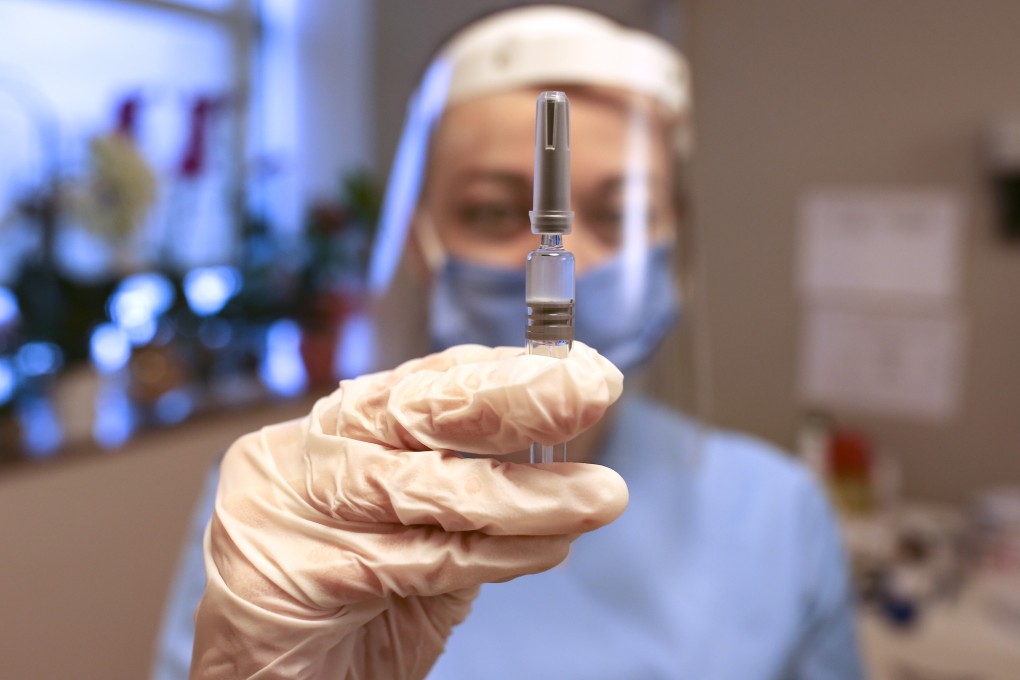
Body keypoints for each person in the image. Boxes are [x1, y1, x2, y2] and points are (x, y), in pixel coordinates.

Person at [153, 6, 865, 679]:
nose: (570, 259)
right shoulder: (302, 511)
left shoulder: (778, 516)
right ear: (419, 236)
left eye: (622, 210)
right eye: (493, 209)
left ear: (675, 240)